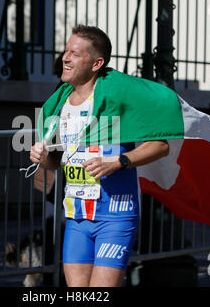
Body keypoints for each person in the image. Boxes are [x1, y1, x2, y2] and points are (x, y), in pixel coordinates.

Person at [30, 26, 170, 287]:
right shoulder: (59, 104)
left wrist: (119, 161)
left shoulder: (116, 99)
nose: (66, 58)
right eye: (66, 51)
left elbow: (160, 146)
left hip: (115, 216)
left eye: (75, 53)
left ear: (97, 63)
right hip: (76, 217)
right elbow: (57, 162)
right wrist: (43, 156)